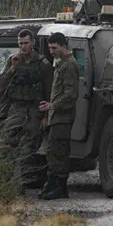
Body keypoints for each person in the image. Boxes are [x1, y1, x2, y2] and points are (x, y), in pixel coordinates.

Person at [0, 29, 53, 190]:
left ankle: (21, 184)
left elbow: (49, 91)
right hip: (17, 108)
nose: (23, 47)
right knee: (5, 144)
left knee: (29, 149)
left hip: (35, 109)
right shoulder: (13, 60)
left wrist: (46, 116)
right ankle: (4, 182)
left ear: (33, 43)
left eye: (26, 43)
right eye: (20, 44)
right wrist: (13, 68)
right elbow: (2, 86)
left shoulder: (42, 64)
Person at [38, 32, 79, 200]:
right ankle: (53, 185)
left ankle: (60, 188)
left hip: (63, 117)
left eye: (54, 48)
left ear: (63, 46)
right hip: (57, 117)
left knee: (59, 153)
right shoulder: (62, 63)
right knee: (53, 152)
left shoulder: (69, 65)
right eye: (49, 48)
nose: (51, 51)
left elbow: (71, 94)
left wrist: (53, 106)